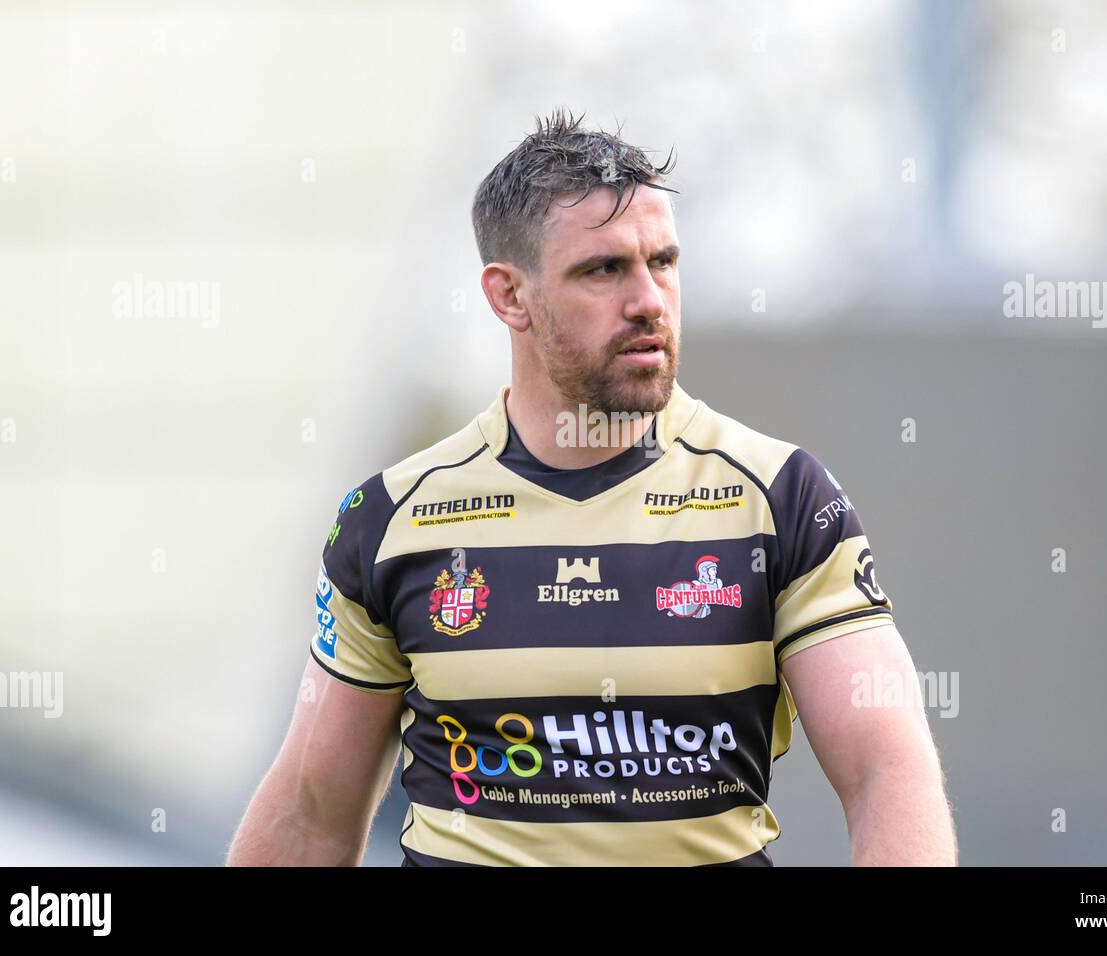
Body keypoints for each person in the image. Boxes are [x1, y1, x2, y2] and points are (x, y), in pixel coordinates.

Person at [227, 108, 956, 866]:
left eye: (663, 262)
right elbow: (313, 814)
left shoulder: (783, 498)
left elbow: (887, 769)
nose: (648, 300)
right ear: (510, 296)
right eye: (603, 270)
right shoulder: (390, 521)